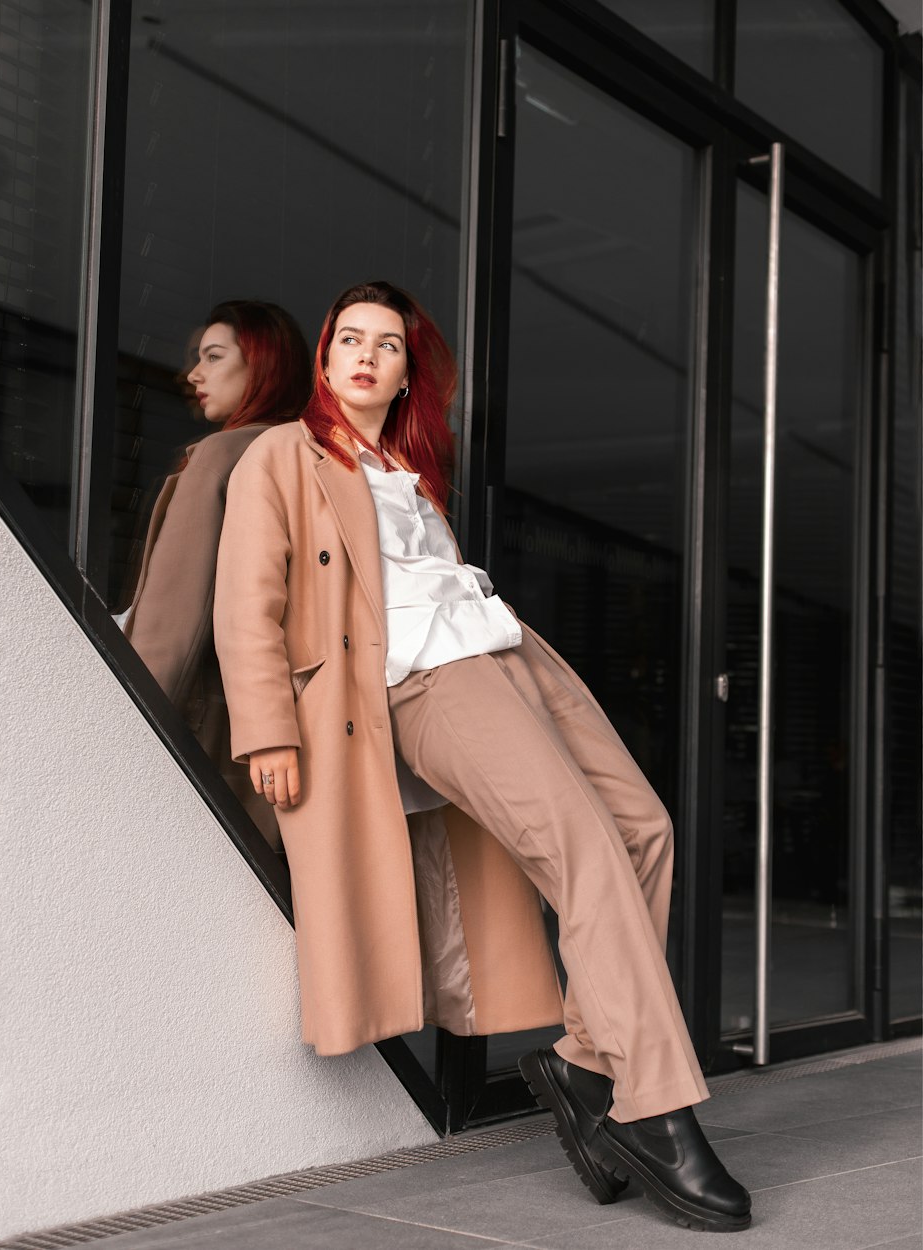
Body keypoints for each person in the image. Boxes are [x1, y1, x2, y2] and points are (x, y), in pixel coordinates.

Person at [213, 281, 751, 1232]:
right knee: (581, 850)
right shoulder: (282, 458)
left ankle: (586, 1064)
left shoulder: (409, 472)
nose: (367, 354)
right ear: (326, 356)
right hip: (427, 682)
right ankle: (656, 1109)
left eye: (388, 343)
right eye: (350, 338)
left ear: (409, 371)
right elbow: (246, 598)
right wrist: (265, 729)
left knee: (643, 830)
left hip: (507, 651)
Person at [125, 300, 311, 851]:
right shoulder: (307, 456)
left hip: (211, 732)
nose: (195, 374)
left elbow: (171, 623)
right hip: (290, 732)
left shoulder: (221, 457)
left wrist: (120, 725)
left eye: (214, 356)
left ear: (262, 365)